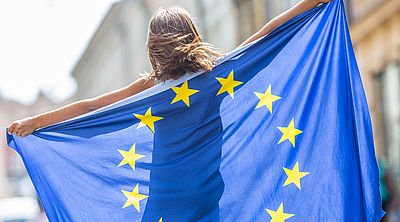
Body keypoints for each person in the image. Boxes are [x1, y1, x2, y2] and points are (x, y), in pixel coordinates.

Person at [7, 0, 331, 137]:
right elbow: (266, 34)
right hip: (205, 190)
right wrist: (311, 3)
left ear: (153, 50)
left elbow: (92, 105)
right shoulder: (217, 73)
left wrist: (35, 122)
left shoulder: (150, 87)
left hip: (166, 193)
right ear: (193, 36)